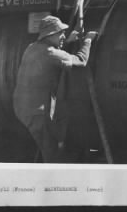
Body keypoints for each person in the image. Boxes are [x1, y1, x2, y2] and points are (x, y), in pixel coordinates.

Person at [13, 15, 97, 163]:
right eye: (61, 33)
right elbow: (81, 61)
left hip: (21, 108)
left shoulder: (31, 48)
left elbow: (51, 54)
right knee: (53, 156)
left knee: (45, 144)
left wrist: (68, 40)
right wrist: (88, 40)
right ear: (51, 35)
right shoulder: (51, 53)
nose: (63, 36)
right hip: (37, 114)